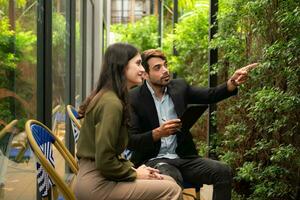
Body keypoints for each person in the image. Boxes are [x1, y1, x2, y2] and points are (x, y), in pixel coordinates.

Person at [127, 48, 258, 200]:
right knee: (171, 179)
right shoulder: (133, 98)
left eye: (165, 65)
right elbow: (132, 141)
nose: (165, 70)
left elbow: (211, 95)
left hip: (184, 157)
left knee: (223, 171)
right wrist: (158, 133)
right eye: (158, 67)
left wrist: (233, 82)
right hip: (154, 159)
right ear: (145, 74)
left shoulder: (179, 87)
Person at [73, 43, 182, 200]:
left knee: (168, 180)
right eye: (138, 64)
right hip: (97, 183)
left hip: (100, 175)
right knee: (171, 190)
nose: (143, 69)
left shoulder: (110, 96)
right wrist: (134, 172)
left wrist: (132, 168)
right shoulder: (111, 103)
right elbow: (105, 159)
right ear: (122, 66)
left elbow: (107, 155)